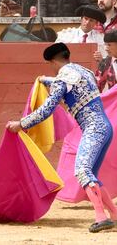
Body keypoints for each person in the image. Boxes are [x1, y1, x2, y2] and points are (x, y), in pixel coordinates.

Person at [6, 42, 117, 233]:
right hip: (105, 127)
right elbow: (68, 82)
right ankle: (114, 215)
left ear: (54, 61)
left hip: (92, 129)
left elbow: (47, 109)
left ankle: (101, 217)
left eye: (50, 65)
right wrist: (46, 80)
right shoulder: (84, 71)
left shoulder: (62, 78)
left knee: (82, 170)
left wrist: (21, 124)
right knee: (91, 174)